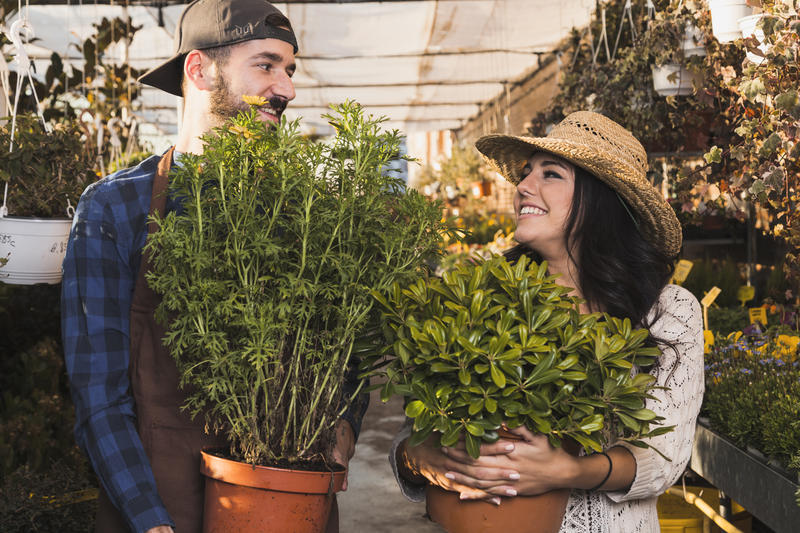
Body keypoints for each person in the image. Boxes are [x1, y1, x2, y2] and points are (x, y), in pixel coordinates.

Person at [61, 2, 366, 532]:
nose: (287, 89)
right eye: (266, 65)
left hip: (286, 506)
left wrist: (342, 431)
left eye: (289, 70)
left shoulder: (308, 208)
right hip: (161, 504)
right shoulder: (117, 207)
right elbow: (98, 395)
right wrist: (150, 520)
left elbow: (350, 349)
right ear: (200, 70)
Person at [390, 111, 704, 532]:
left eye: (550, 174)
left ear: (602, 201)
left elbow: (665, 455)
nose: (522, 187)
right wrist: (419, 458)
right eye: (525, 174)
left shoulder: (667, 311)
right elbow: (420, 429)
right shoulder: (485, 300)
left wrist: (566, 472)